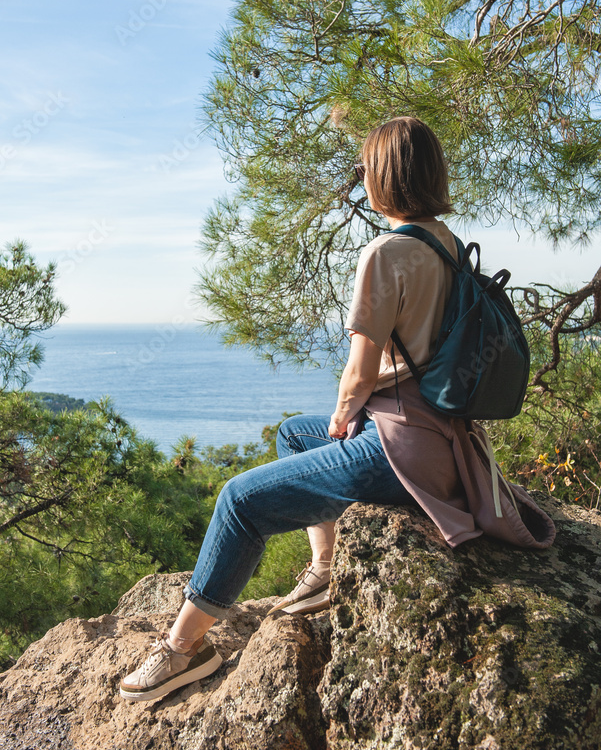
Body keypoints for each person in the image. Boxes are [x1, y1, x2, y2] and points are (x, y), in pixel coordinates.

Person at [119, 116, 555, 703]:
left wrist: (347, 412)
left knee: (239, 501)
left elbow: (360, 367)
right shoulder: (446, 242)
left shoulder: (385, 252)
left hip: (399, 450)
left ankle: (183, 649)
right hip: (446, 438)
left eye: (363, 170)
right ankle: (325, 565)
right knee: (296, 435)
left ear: (382, 178)